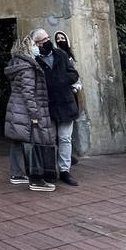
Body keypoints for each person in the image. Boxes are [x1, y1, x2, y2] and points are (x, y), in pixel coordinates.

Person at [5, 33, 56, 192]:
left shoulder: (17, 64)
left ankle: (17, 174)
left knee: (18, 141)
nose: (37, 47)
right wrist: (35, 115)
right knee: (34, 143)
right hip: (27, 111)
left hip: (17, 109)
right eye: (34, 44)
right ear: (26, 47)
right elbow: (29, 93)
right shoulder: (28, 68)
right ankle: (36, 179)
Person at [31, 28, 80, 186]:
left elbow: (74, 73)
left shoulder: (61, 54)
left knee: (65, 138)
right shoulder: (34, 60)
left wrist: (62, 80)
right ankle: (50, 170)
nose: (46, 42)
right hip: (47, 105)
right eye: (41, 41)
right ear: (35, 43)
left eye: (46, 39)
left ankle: (65, 170)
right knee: (49, 140)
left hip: (66, 102)